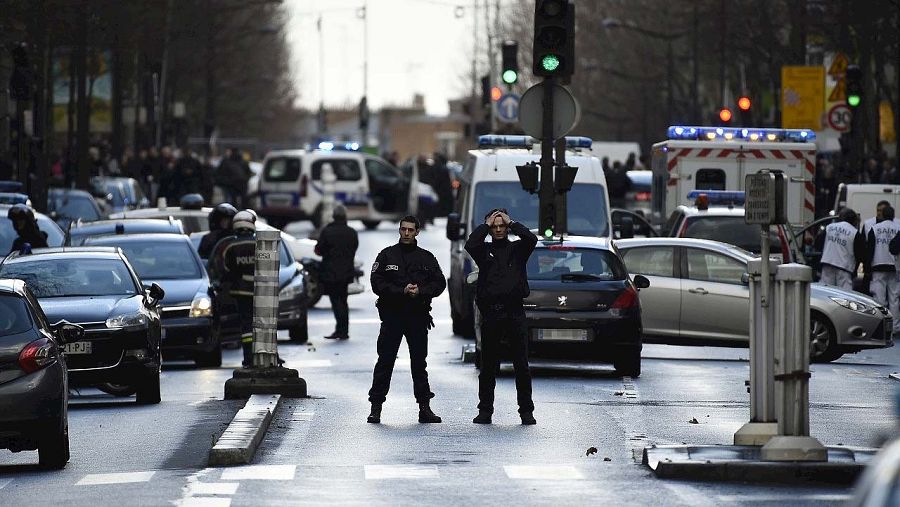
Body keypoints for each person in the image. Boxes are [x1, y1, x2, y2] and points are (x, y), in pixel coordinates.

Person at [367, 215, 446, 424]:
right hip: (392, 316)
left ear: (417, 232)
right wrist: (400, 290)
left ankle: (424, 408)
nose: (407, 233)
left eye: (411, 230)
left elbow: (439, 283)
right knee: (385, 362)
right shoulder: (387, 255)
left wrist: (421, 291)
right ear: (399, 230)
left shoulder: (426, 258)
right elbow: (376, 282)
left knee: (419, 364)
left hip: (417, 316)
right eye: (403, 229)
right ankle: (376, 408)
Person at [465, 208, 537, 425]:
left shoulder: (517, 249)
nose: (498, 230)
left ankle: (526, 411)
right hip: (492, 313)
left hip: (515, 311)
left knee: (521, 365)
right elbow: (471, 244)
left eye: (501, 226)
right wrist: (485, 225)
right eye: (494, 227)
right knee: (488, 366)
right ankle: (485, 410)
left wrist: (512, 222)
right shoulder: (483, 250)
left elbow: (531, 239)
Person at [209, 210, 257, 367]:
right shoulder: (260, 244)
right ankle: (267, 356)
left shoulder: (229, 246)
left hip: (240, 292)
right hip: (261, 292)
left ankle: (248, 358)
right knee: (264, 324)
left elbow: (223, 269)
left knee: (246, 325)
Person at [315, 205, 358, 340]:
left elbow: (318, 250)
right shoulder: (352, 232)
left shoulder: (327, 231)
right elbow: (354, 248)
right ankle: (343, 329)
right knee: (343, 300)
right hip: (346, 272)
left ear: (333, 216)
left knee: (336, 301)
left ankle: (341, 330)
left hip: (331, 272)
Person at [818, 208, 865, 291]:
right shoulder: (854, 233)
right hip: (844, 268)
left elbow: (818, 243)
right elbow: (860, 254)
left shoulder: (829, 227)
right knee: (844, 294)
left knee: (826, 291)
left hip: (827, 264)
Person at [870, 206, 900, 335]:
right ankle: (895, 327)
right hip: (895, 267)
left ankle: (880, 326)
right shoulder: (898, 228)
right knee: (894, 298)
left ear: (882, 215)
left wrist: (868, 267)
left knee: (879, 298)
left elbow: (870, 249)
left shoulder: (875, 228)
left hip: (878, 265)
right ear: (893, 216)